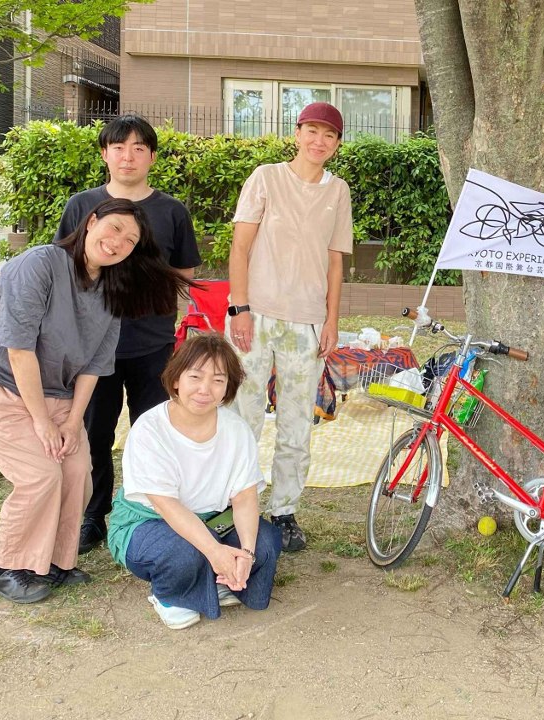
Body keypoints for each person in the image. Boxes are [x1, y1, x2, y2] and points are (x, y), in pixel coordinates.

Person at [0, 198, 191, 604]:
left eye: (130, 240)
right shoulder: (40, 264)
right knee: (41, 474)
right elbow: (18, 349)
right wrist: (42, 422)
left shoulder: (112, 290)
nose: (118, 242)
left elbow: (95, 364)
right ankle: (10, 567)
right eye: (114, 228)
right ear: (91, 222)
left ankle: (54, 562)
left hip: (57, 392)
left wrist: (72, 421)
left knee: (78, 470)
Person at [59, 115, 202, 555]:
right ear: (105, 153)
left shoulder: (172, 211)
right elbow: (64, 267)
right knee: (93, 433)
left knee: (154, 432)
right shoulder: (82, 206)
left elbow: (184, 274)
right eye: (119, 147)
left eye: (139, 148)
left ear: (152, 157)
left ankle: (152, 511)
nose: (128, 156)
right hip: (90, 347)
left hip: (152, 344)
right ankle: (93, 515)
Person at [227, 101, 354, 552]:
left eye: (329, 135)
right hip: (256, 314)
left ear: (337, 144)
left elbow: (335, 262)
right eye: (312, 131)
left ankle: (283, 511)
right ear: (297, 134)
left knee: (298, 418)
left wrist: (331, 320)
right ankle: (233, 502)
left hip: (307, 321)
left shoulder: (338, 191)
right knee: (242, 412)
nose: (319, 141)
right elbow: (240, 247)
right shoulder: (266, 177)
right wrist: (239, 308)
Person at [107, 334, 282, 630]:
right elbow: (166, 505)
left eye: (218, 380)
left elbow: (244, 497)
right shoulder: (149, 429)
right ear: (176, 379)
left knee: (265, 543)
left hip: (215, 519)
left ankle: (220, 578)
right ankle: (169, 596)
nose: (205, 389)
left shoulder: (236, 430)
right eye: (195, 377)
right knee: (184, 552)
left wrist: (247, 554)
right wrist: (215, 552)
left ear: (228, 387)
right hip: (150, 521)